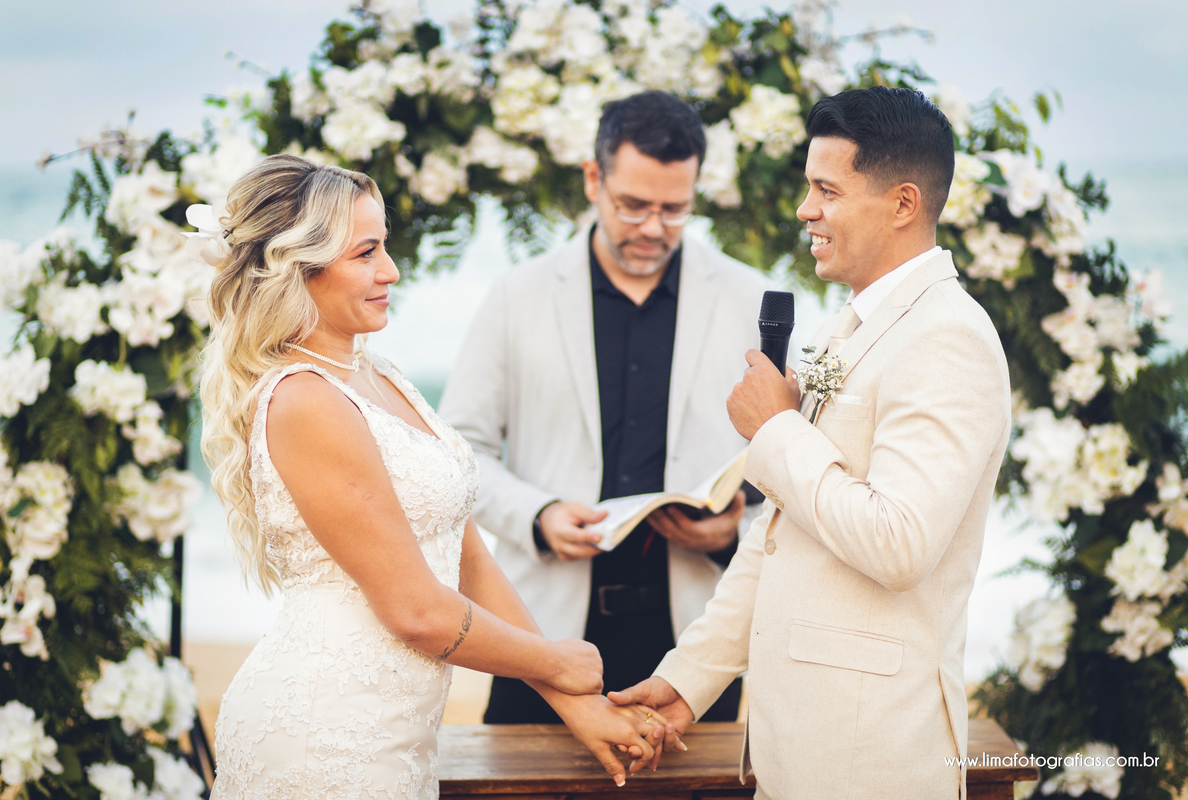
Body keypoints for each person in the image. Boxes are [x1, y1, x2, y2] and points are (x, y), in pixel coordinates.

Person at [197, 154, 670, 798]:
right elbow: (416, 610)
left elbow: (466, 556)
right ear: (297, 270)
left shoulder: (379, 374)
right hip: (323, 733)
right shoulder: (304, 401)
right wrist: (559, 660)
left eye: (384, 246)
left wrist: (572, 701)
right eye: (365, 253)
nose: (390, 271)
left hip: (398, 735)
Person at [610, 87, 1013, 798]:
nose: (805, 210)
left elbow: (900, 543)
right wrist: (687, 682)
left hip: (870, 758)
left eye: (826, 190)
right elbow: (780, 539)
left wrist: (777, 430)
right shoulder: (843, 329)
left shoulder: (948, 338)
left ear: (902, 204)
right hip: (792, 751)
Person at [438, 91, 775, 725]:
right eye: (634, 205)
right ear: (593, 179)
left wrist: (733, 531)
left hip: (696, 638)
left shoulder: (749, 298)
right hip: (541, 633)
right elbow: (457, 450)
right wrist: (537, 516)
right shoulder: (517, 295)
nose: (654, 228)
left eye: (675, 210)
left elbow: (787, 465)